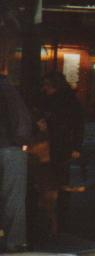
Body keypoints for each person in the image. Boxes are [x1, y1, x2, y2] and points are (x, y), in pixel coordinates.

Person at [39, 72, 84, 231]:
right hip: (59, 146)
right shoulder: (66, 100)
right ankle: (59, 220)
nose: (44, 89)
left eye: (47, 85)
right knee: (60, 182)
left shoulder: (62, 102)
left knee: (58, 183)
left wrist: (76, 147)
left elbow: (77, 125)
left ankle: (57, 220)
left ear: (54, 86)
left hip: (59, 146)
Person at [0, 64, 32, 252]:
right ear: (4, 70)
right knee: (13, 197)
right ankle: (15, 242)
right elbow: (21, 118)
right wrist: (23, 142)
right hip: (9, 149)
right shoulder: (7, 89)